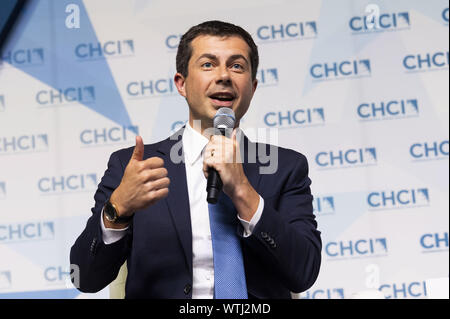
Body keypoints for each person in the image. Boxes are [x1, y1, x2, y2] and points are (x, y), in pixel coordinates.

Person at [70, 20, 321, 299]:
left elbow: (303, 273)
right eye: (208, 64)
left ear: (252, 86)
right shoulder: (134, 167)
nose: (224, 76)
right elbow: (85, 277)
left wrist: (242, 191)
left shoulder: (284, 167)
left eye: (237, 66)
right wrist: (117, 210)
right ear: (182, 84)